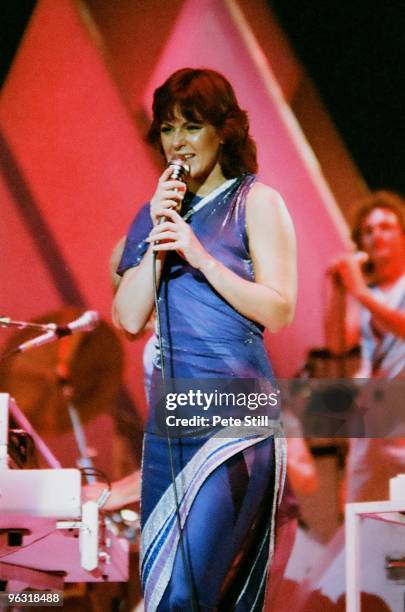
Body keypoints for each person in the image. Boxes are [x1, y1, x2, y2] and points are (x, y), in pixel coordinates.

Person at [113, 68, 297, 610]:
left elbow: (280, 310)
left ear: (225, 131)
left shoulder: (256, 202)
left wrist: (199, 255)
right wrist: (157, 234)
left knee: (194, 589)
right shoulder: (153, 217)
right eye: (168, 129)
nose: (178, 143)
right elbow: (126, 319)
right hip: (172, 425)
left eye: (192, 127)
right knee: (168, 590)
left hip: (236, 415)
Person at [326, 191, 405, 502]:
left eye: (385, 227)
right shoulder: (366, 292)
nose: (376, 236)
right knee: (356, 507)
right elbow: (338, 345)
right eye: (368, 231)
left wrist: (359, 292)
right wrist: (337, 291)